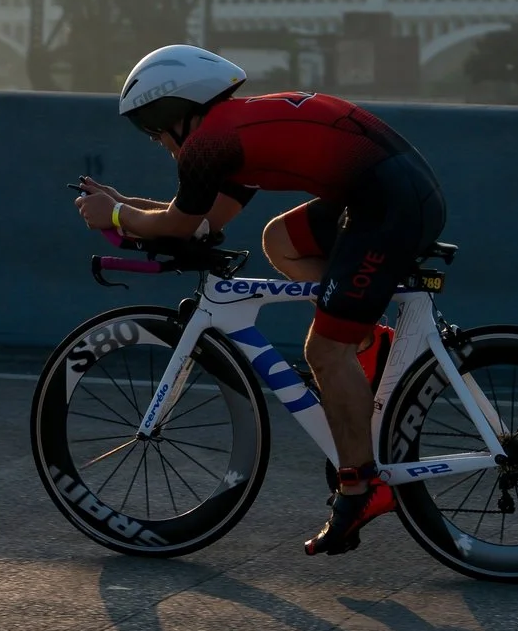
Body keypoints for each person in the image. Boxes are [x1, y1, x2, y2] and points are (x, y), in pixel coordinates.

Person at [73, 44, 447, 557]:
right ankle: (365, 340)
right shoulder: (233, 132)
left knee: (322, 352)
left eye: (153, 129)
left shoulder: (210, 143)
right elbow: (207, 220)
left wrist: (115, 219)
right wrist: (127, 206)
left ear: (173, 111)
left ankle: (360, 487)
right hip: (387, 192)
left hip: (388, 204)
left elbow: (182, 224)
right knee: (282, 242)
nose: (157, 141)